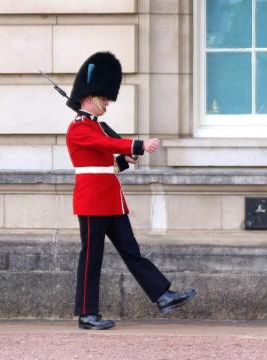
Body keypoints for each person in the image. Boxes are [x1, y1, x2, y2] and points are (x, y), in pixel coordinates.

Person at [65, 51, 196, 330]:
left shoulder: (96, 127)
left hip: (111, 200)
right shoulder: (79, 128)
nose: (108, 104)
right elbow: (104, 147)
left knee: (132, 251)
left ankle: (162, 295)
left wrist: (125, 160)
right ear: (91, 97)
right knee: (92, 257)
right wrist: (136, 146)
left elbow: (108, 163)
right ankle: (87, 313)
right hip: (92, 201)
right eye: (105, 99)